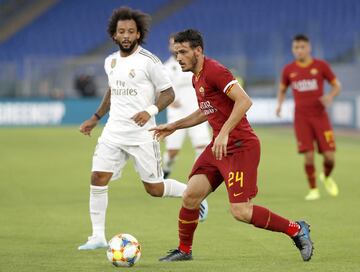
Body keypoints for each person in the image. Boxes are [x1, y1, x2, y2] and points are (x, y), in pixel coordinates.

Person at [151, 29, 313, 262]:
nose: (179, 58)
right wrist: (174, 125)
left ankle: (296, 229)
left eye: (183, 52)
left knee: (241, 211)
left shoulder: (215, 70)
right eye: (177, 52)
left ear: (198, 51)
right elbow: (205, 111)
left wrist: (224, 132)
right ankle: (184, 250)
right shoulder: (196, 77)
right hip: (219, 146)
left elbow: (245, 101)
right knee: (191, 195)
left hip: (239, 146)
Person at [77, 8, 208, 250]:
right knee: (97, 177)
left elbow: (169, 93)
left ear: (138, 34)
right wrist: (95, 117)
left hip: (142, 134)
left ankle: (192, 195)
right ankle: (97, 236)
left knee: (155, 189)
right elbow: (112, 91)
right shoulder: (111, 61)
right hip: (114, 132)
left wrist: (150, 111)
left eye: (130, 31)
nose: (125, 35)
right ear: (114, 35)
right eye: (121, 32)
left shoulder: (149, 61)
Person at [276, 34, 341, 201]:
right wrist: (279, 105)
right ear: (292, 49)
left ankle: (326, 176)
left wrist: (330, 96)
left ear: (309, 48)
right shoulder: (289, 70)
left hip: (320, 116)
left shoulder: (321, 66)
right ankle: (313, 189)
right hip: (302, 118)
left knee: (329, 157)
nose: (299, 50)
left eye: (302, 47)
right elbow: (282, 89)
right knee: (309, 155)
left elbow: (336, 85)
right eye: (296, 48)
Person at [162, 34, 211, 178]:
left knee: (202, 146)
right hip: (177, 113)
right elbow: (160, 89)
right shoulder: (166, 68)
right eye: (172, 44)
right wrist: (170, 100)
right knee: (172, 151)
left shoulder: (194, 65)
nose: (174, 47)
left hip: (197, 111)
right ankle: (166, 169)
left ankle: (197, 176)